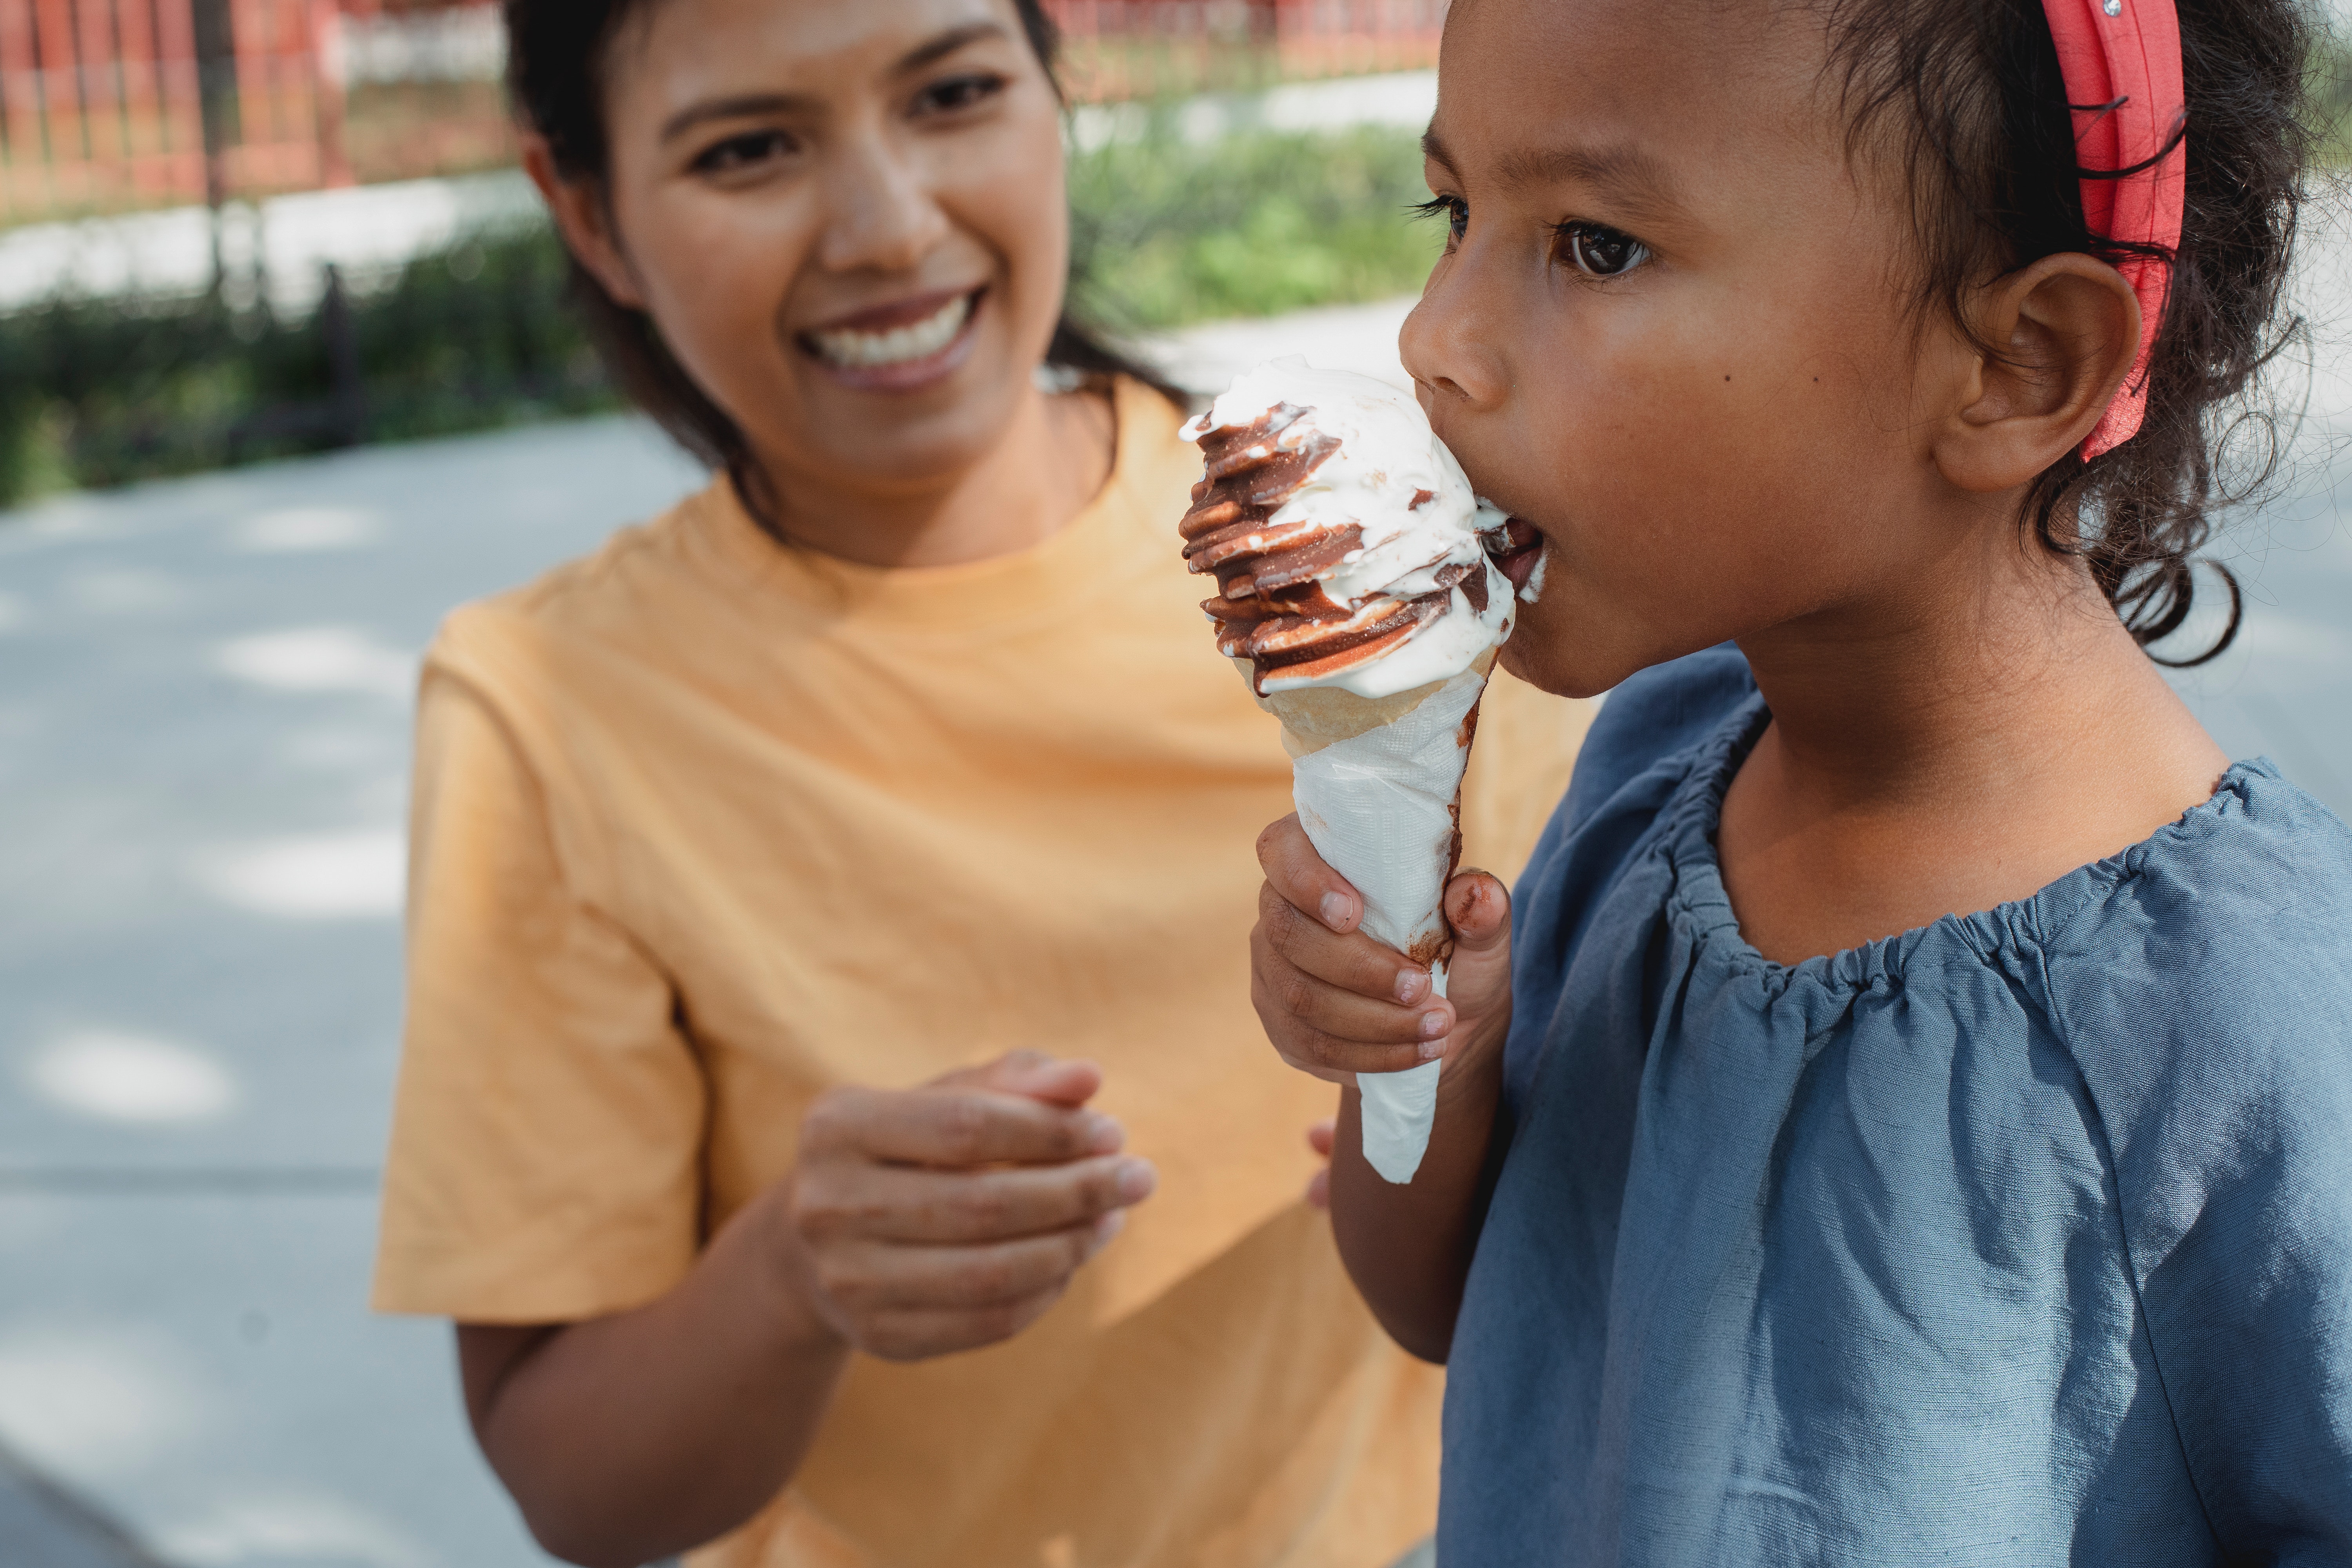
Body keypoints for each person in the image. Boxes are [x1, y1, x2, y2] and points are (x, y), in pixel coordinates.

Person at [369, 0, 1588, 1564]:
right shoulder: (547, 709)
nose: (887, 226)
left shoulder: (1372, 555)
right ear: (588, 211)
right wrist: (791, 1277)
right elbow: (579, 1482)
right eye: (749, 148)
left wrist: (1448, 1090)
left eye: (950, 92)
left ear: (1051, 89)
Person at [1249, 0, 2352, 1559]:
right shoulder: (1655, 772)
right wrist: (1431, 1045)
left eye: (1598, 247)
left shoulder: (2256, 1019)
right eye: (1457, 214)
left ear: (2018, 363)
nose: (1434, 339)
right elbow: (1442, 1304)